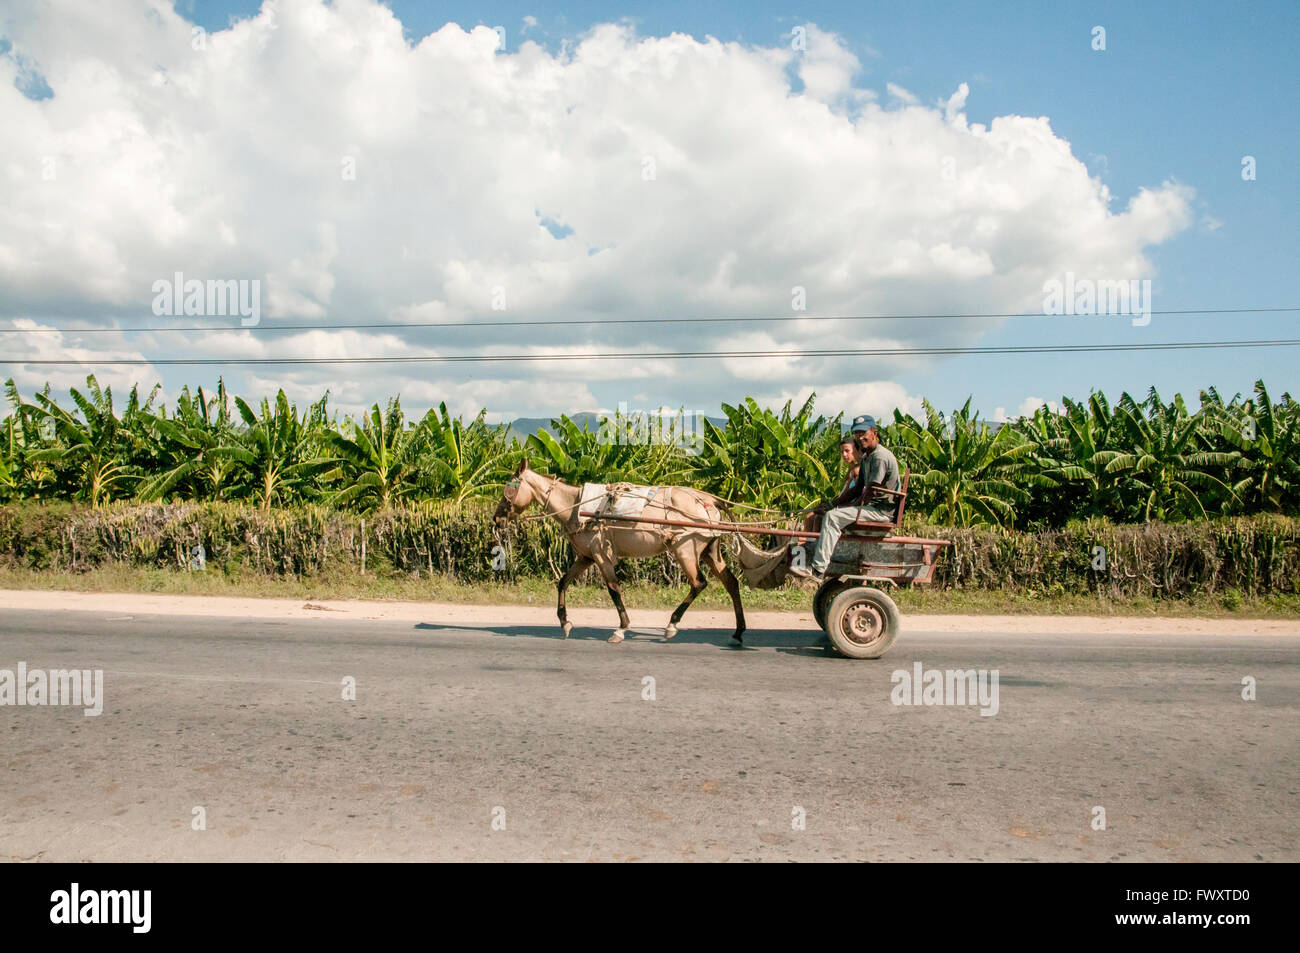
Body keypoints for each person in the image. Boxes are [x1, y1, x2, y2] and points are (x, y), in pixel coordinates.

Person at [791, 414, 900, 582]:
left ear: (874, 433)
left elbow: (870, 490)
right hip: (871, 509)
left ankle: (818, 569)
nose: (859, 437)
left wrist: (845, 509)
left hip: (881, 512)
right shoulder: (866, 458)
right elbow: (857, 489)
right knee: (831, 513)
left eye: (863, 432)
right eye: (856, 433)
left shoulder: (880, 457)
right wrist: (831, 504)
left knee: (832, 518)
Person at [803, 436, 861, 532]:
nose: (844, 455)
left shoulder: (857, 471)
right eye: (842, 452)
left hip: (851, 507)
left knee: (817, 518)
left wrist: (832, 505)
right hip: (843, 505)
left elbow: (850, 494)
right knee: (810, 516)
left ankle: (813, 543)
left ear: (855, 450)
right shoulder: (851, 471)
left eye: (847, 451)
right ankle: (806, 543)